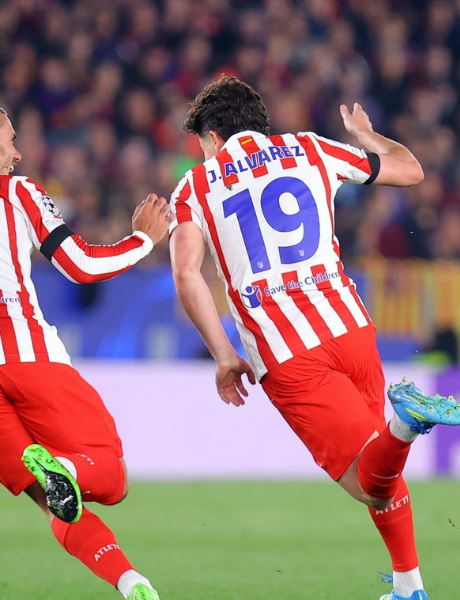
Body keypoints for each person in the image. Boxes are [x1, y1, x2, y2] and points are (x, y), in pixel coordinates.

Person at [168, 75, 460, 600]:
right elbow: (412, 172)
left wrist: (222, 355)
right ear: (259, 125)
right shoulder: (310, 148)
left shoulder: (196, 186)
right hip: (350, 326)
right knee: (380, 465)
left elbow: (188, 274)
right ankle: (409, 587)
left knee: (368, 483)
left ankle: (408, 419)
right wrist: (366, 136)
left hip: (285, 349)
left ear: (213, 138)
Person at [0, 100, 170, 600]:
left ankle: (131, 583)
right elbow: (81, 265)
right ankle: (67, 470)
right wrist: (142, 241)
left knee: (54, 501)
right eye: (10, 140)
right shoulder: (13, 191)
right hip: (23, 354)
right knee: (110, 478)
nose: (17, 154)